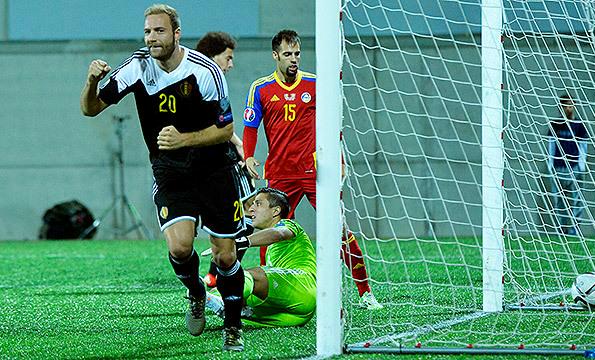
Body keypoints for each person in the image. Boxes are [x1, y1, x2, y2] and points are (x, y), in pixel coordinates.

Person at [80, 4, 246, 351]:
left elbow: (226, 128)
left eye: (158, 31)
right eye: (147, 32)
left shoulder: (206, 71)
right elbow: (90, 108)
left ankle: (233, 324)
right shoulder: (138, 66)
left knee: (226, 256)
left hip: (214, 170)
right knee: (180, 246)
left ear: (176, 34)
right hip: (171, 172)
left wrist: (184, 139)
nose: (152, 38)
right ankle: (197, 293)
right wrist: (92, 80)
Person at [242, 29, 382, 310]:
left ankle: (365, 292)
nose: (293, 59)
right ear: (275, 56)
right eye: (287, 54)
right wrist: (248, 156)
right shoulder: (260, 88)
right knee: (269, 235)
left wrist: (339, 159)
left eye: (296, 53)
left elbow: (332, 125)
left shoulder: (314, 84)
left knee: (341, 229)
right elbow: (250, 127)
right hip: (279, 176)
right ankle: (266, 295)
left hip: (313, 173)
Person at [195, 31, 257, 289]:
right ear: (213, 57)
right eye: (228, 58)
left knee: (239, 219)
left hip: (219, 160)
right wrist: (241, 147)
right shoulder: (207, 79)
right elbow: (218, 124)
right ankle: (221, 275)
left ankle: (214, 274)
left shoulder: (202, 78)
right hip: (220, 164)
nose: (231, 64)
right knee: (249, 218)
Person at [205, 187, 316, 327]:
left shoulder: (288, 224)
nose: (251, 209)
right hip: (294, 315)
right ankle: (227, 305)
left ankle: (224, 301)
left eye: (258, 204)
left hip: (302, 288)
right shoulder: (272, 247)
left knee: (249, 275)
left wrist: (241, 242)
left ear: (276, 211)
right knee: (226, 289)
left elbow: (280, 233)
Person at [547, 94, 588, 236]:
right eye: (566, 105)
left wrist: (581, 165)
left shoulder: (579, 126)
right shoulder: (555, 125)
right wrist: (550, 164)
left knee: (577, 200)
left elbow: (584, 146)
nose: (569, 108)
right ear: (561, 107)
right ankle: (561, 229)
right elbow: (551, 145)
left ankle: (574, 229)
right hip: (559, 167)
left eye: (571, 105)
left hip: (574, 167)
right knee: (559, 201)